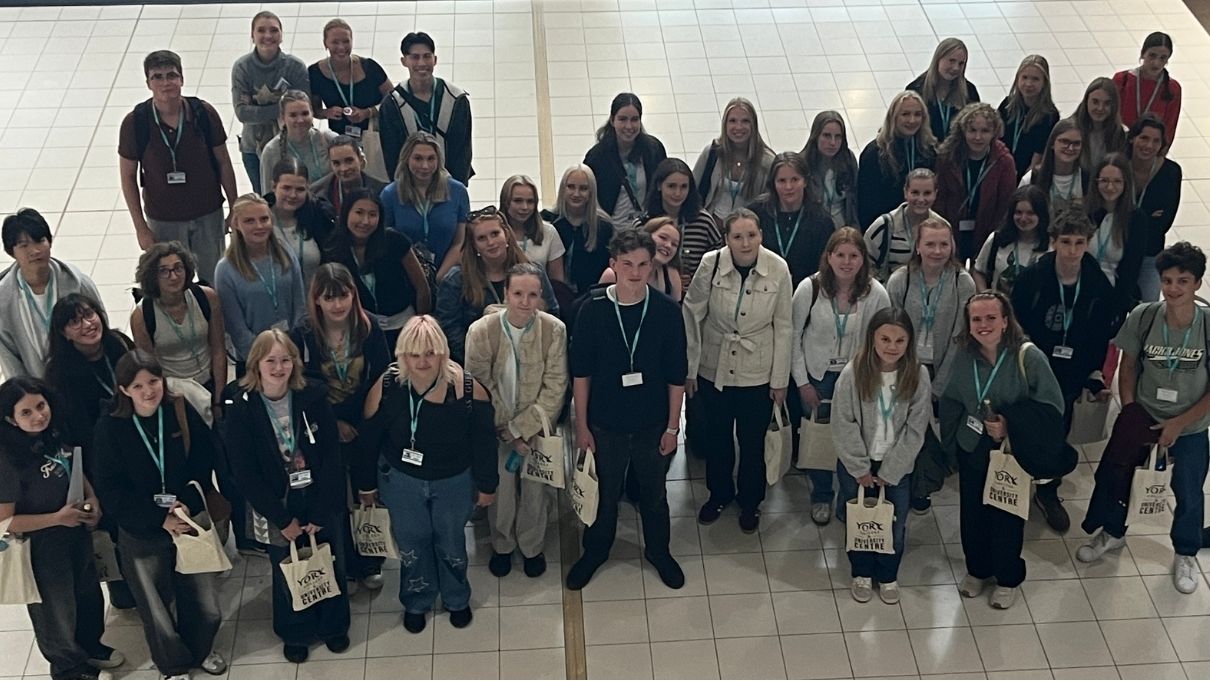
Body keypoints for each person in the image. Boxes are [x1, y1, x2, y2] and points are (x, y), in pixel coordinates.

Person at [1078, 243, 1210, 595]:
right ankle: (1113, 532)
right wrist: (1132, 409)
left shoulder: (1207, 325)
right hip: (1145, 416)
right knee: (1119, 478)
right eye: (1167, 280)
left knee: (1188, 491)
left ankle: (1185, 551)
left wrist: (1180, 424)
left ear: (1197, 283)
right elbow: (1129, 365)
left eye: (1183, 281)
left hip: (1191, 425)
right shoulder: (1144, 316)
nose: (1173, 289)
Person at [356, 315, 497, 633]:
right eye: (414, 354)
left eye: (430, 353)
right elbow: (368, 440)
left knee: (451, 541)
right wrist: (365, 485)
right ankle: (416, 600)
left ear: (443, 353)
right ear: (402, 354)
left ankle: (456, 597)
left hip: (453, 481)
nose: (422, 361)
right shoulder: (388, 385)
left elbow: (484, 442)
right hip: (402, 481)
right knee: (411, 544)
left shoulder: (467, 389)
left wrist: (487, 485)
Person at [92, 352, 227, 679]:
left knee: (205, 601)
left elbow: (203, 456)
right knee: (157, 608)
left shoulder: (178, 409)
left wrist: (183, 503)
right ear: (124, 390)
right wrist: (158, 517)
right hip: (142, 532)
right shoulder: (111, 428)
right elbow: (110, 490)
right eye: (137, 385)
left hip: (187, 519)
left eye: (153, 381)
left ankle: (201, 650)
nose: (148, 391)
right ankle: (174, 665)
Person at [566, 230, 687, 591]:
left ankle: (659, 550)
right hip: (605, 423)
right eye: (628, 265)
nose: (636, 273)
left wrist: (672, 428)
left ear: (653, 266)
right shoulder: (593, 310)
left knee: (654, 494)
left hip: (652, 423)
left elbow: (676, 375)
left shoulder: (666, 312)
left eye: (643, 265)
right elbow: (581, 374)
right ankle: (595, 550)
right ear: (613, 266)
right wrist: (582, 426)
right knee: (604, 494)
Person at [221, 330, 351, 663]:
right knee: (287, 569)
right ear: (256, 365)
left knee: (329, 560)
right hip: (276, 504)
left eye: (286, 360)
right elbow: (244, 473)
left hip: (319, 497)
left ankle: (334, 624)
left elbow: (333, 458)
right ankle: (296, 631)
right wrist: (282, 520)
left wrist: (320, 513)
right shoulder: (240, 406)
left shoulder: (313, 395)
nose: (279, 368)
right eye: (271, 361)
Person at [940, 291, 1065, 609]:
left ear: (1006, 321)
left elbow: (1053, 406)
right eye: (976, 319)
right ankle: (977, 570)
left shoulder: (1028, 357)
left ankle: (1008, 578)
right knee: (973, 514)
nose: (984, 325)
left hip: (1012, 452)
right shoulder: (965, 356)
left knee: (1007, 516)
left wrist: (1010, 424)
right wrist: (951, 446)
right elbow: (952, 401)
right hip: (974, 447)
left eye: (991, 318)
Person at [0, 378, 124, 680]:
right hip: (41, 547)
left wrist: (91, 499)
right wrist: (57, 518)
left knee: (88, 594)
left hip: (75, 533)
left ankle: (91, 647)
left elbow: (74, 467)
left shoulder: (55, 433)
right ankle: (68, 667)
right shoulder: (7, 460)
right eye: (26, 412)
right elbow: (5, 522)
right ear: (10, 419)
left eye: (40, 406)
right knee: (57, 609)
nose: (38, 416)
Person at [683, 208, 792, 532]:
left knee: (752, 441)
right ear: (726, 239)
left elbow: (784, 326)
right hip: (714, 366)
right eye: (737, 237)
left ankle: (750, 501)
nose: (745, 243)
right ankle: (718, 494)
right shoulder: (711, 263)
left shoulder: (778, 268)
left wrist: (779, 379)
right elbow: (692, 313)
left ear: (761, 235)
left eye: (751, 235)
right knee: (717, 437)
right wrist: (690, 369)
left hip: (757, 370)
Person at [1012, 207, 1118, 533]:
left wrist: (1096, 372)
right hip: (1033, 365)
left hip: (1072, 370)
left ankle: (1047, 489)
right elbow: (1016, 322)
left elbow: (1101, 332)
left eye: (1079, 242)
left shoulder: (1098, 283)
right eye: (1066, 242)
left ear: (1088, 244)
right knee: (1021, 423)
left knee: (1058, 429)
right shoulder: (1033, 277)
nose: (1072, 250)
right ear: (1053, 242)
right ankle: (1012, 482)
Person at [290, 263, 392, 593]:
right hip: (323, 423)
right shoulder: (304, 333)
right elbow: (299, 384)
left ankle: (370, 560)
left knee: (367, 491)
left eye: (344, 295)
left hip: (365, 420)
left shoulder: (368, 327)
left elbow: (381, 377)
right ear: (316, 300)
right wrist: (334, 422)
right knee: (334, 495)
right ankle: (343, 563)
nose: (337, 305)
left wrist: (364, 421)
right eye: (329, 297)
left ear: (354, 295)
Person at [464, 262, 568, 578]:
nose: (525, 301)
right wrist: (507, 430)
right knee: (502, 491)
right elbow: (479, 385)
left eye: (532, 295)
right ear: (506, 293)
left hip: (536, 426)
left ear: (540, 297)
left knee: (535, 490)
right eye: (518, 293)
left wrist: (523, 429)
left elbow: (555, 386)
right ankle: (503, 545)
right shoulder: (481, 332)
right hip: (496, 428)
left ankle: (532, 546)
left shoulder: (554, 330)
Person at [791, 228, 891, 525]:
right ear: (829, 257)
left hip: (858, 377)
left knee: (854, 439)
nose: (847, 262)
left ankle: (848, 498)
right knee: (819, 438)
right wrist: (802, 382)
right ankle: (822, 494)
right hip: (817, 375)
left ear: (863, 259)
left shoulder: (876, 293)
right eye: (840, 255)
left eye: (854, 256)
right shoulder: (809, 289)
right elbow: (793, 337)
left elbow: (885, 338)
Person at [833, 308, 932, 604]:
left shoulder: (917, 375)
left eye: (900, 340)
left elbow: (916, 429)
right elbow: (843, 422)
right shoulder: (853, 373)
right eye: (885, 339)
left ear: (909, 342)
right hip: (858, 465)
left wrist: (892, 470)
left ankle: (888, 574)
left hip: (896, 468)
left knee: (895, 523)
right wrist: (859, 467)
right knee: (860, 520)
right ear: (872, 339)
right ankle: (861, 571)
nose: (892, 347)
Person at [120, 50, 239, 283]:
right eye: (158, 77)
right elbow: (128, 177)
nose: (166, 83)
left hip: (208, 213)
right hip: (163, 220)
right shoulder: (136, 122)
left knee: (212, 279)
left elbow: (223, 162)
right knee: (172, 282)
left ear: (182, 79)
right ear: (148, 83)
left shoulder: (203, 113)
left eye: (171, 75)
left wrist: (235, 206)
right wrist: (141, 227)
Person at [885, 219, 975, 513]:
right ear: (918, 246)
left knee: (936, 429)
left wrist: (938, 385)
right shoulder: (901, 280)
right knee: (907, 427)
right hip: (905, 364)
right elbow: (889, 330)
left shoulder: (963, 282)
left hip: (943, 368)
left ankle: (927, 479)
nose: (937, 251)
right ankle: (907, 481)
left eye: (944, 244)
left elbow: (961, 337)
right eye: (930, 244)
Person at [435, 208, 560, 363]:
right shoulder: (456, 280)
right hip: (477, 364)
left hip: (530, 360)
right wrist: (482, 357)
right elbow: (448, 328)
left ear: (506, 234)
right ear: (473, 245)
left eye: (495, 234)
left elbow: (552, 314)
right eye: (481, 238)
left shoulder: (534, 272)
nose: (491, 243)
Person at [0, 208, 105, 379]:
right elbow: (9, 360)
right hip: (37, 388)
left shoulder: (78, 283)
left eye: (40, 241)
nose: (35, 251)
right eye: (24, 245)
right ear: (11, 252)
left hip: (87, 379)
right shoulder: (4, 301)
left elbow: (102, 331)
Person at [324, 190, 431, 346]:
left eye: (372, 214)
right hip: (362, 331)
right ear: (346, 213)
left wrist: (421, 327)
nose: (365, 221)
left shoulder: (394, 241)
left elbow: (422, 287)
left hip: (405, 327)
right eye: (359, 213)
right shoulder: (333, 250)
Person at [214, 194, 307, 374]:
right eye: (249, 221)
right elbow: (236, 327)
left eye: (264, 219)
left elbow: (300, 304)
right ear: (236, 224)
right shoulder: (225, 269)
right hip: (253, 360)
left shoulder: (285, 252)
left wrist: (290, 350)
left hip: (291, 353)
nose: (259, 226)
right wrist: (265, 359)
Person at [130, 242, 226, 407]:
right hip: (175, 391)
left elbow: (218, 349)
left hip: (210, 380)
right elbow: (150, 370)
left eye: (178, 268)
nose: (173, 277)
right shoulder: (142, 316)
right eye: (164, 271)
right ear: (152, 276)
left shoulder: (207, 298)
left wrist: (219, 398)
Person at [46, 295, 135, 466]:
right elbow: (78, 429)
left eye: (89, 314)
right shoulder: (59, 373)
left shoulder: (118, 342)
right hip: (101, 444)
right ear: (64, 333)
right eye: (75, 322)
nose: (87, 324)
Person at [230, 11, 309, 194]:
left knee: (294, 194)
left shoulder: (295, 67)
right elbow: (242, 113)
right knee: (263, 197)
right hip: (253, 147)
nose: (267, 36)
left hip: (292, 144)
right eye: (261, 30)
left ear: (281, 35)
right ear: (252, 35)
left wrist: (258, 110)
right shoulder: (242, 68)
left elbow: (304, 110)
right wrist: (284, 110)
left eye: (273, 30)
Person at [380, 32, 474, 184]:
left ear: (435, 59)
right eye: (415, 57)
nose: (422, 63)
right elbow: (391, 155)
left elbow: (463, 153)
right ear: (404, 61)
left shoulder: (456, 99)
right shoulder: (392, 104)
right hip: (409, 188)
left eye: (427, 56)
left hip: (448, 185)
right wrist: (401, 189)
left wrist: (457, 189)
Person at [381, 131, 470, 283]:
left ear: (439, 160)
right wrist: (419, 281)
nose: (425, 166)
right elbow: (385, 243)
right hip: (404, 278)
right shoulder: (389, 195)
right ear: (406, 159)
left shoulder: (457, 191)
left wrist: (439, 278)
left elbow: (459, 242)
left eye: (431, 158)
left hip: (449, 277)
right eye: (418, 158)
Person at [934, 103, 1017, 262]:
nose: (978, 137)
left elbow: (1005, 205)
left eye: (985, 131)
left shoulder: (1004, 162)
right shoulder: (947, 158)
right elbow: (939, 200)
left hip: (986, 233)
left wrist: (991, 240)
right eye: (972, 130)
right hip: (950, 230)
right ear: (963, 131)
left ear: (994, 133)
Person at [584, 92, 668, 231]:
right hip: (612, 233)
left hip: (646, 230)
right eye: (622, 119)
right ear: (612, 120)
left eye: (634, 119)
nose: (629, 126)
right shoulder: (597, 157)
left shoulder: (654, 150)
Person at [749, 152, 835, 287]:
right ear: (773, 183)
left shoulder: (821, 221)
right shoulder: (756, 214)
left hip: (805, 291)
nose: (788, 187)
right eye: (782, 181)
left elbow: (824, 268)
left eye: (795, 180)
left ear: (805, 181)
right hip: (761, 289)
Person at [857, 91, 937, 229]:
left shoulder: (928, 150)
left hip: (923, 226)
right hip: (887, 229)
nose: (912, 120)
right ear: (893, 117)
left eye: (917, 114)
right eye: (905, 114)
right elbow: (865, 203)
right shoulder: (874, 153)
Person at [640, 158, 723, 289]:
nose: (678, 193)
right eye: (671, 186)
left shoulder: (704, 222)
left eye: (684, 187)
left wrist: (698, 277)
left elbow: (718, 258)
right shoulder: (643, 223)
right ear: (659, 185)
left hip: (697, 293)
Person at [309, 19, 393, 141]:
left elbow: (393, 97)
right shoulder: (315, 73)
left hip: (376, 134)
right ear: (325, 43)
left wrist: (367, 112)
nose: (341, 47)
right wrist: (327, 112)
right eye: (335, 42)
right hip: (340, 138)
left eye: (346, 41)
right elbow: (314, 110)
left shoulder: (370, 67)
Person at [1127, 114, 1182, 301]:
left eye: (1155, 141)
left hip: (1150, 254)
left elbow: (1164, 223)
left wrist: (1129, 219)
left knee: (1149, 310)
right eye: (1144, 138)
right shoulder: (1118, 165)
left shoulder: (1171, 172)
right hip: (1116, 251)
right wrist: (1148, 216)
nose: (1149, 146)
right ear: (1132, 138)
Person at [692, 97, 775, 220]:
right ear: (725, 124)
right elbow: (692, 188)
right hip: (711, 227)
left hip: (746, 232)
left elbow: (771, 203)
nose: (738, 127)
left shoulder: (767, 162)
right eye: (733, 121)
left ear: (754, 125)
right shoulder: (712, 153)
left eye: (745, 121)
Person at [865, 168, 949, 282]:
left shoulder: (943, 227)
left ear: (935, 194)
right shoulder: (884, 225)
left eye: (927, 193)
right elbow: (864, 261)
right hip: (890, 295)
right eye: (915, 192)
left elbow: (948, 265)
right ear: (905, 192)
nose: (921, 199)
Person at [542, 164, 615, 295]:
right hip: (554, 296)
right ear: (562, 189)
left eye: (583, 188)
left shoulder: (604, 227)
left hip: (591, 298)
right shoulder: (548, 221)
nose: (576, 194)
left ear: (591, 192)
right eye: (571, 187)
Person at [1085, 153, 1147, 306]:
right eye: (1104, 181)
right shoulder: (1085, 212)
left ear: (1126, 183)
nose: (1110, 187)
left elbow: (1131, 270)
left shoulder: (1136, 219)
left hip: (1113, 294)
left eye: (1117, 181)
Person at [265, 158, 337, 285]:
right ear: (273, 187)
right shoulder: (258, 219)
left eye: (300, 189)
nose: (293, 195)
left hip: (313, 299)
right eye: (286, 188)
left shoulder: (319, 216)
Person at [973, 185, 1050, 295]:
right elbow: (978, 272)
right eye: (1018, 212)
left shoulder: (1052, 245)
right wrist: (985, 296)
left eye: (1030, 213)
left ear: (1041, 215)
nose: (1023, 218)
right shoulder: (996, 240)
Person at [258, 90, 338, 192]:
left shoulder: (327, 139)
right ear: (283, 118)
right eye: (293, 115)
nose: (300, 120)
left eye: (305, 113)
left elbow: (358, 160)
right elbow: (268, 194)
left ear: (312, 113)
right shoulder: (272, 150)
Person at [997, 55, 1060, 180]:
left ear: (1044, 83)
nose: (1028, 84)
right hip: (1001, 165)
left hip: (1026, 174)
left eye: (1035, 79)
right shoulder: (1008, 104)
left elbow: (1039, 157)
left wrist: (1023, 180)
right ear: (1017, 79)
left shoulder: (1049, 115)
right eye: (1024, 77)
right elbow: (996, 138)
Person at [906, 38, 980, 142]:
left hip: (956, 153)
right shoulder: (916, 89)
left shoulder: (969, 92)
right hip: (925, 152)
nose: (955, 68)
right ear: (938, 59)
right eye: (951, 61)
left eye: (961, 63)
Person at [1114, 32, 1181, 145]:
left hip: (1148, 149)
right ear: (1143, 53)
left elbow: (1169, 127)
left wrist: (1160, 155)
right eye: (1152, 55)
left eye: (1163, 58)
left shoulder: (1172, 89)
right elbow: (1111, 115)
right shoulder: (1122, 80)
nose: (1156, 63)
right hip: (1118, 144)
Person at [599, 216, 683, 301]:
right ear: (646, 235)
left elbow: (676, 311)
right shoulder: (611, 275)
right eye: (663, 238)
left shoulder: (672, 275)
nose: (668, 245)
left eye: (674, 244)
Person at [501, 175, 566, 283]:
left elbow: (558, 283)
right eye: (518, 201)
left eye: (530, 201)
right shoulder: (494, 233)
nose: (525, 207)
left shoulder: (549, 233)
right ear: (506, 201)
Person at [803, 111, 860, 229]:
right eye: (827, 136)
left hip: (843, 229)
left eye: (838, 137)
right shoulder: (803, 164)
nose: (833, 143)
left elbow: (854, 200)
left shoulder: (848, 161)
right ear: (816, 136)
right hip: (813, 230)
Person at [310, 136, 389, 217]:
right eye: (336, 163)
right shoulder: (316, 193)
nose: (343, 168)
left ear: (360, 160)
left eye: (349, 161)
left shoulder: (381, 192)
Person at [1025, 119, 1088, 213]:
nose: (1070, 148)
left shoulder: (1087, 179)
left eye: (1076, 143)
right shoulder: (1031, 178)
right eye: (1064, 141)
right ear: (1052, 144)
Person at [1072, 78, 1127, 168]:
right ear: (1086, 102)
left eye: (1107, 103)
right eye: (1095, 102)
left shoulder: (1118, 134)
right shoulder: (1070, 130)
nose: (1100, 108)